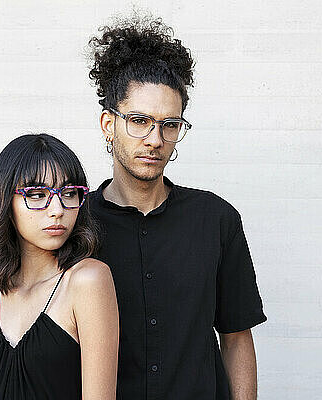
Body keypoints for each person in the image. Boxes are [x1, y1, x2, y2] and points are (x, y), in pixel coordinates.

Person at [86, 15, 267, 399]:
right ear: (108, 124)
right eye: (139, 121)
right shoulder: (74, 222)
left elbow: (236, 339)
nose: (155, 139)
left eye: (170, 124)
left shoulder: (216, 220)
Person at [0, 134, 119, 400]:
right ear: (4, 200)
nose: (58, 209)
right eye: (36, 195)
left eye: (70, 193)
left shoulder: (87, 280)